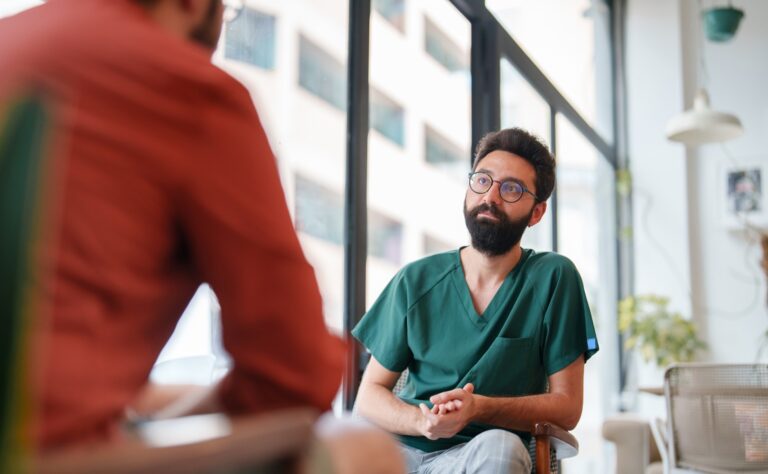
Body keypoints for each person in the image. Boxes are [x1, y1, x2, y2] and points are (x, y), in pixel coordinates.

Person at [0, 2, 403, 470]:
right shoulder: (187, 87)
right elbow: (297, 377)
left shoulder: (16, 37)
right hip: (30, 456)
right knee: (363, 448)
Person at [352, 127, 599, 473]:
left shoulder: (553, 278)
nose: (491, 197)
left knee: (502, 448)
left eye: (511, 189)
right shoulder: (416, 279)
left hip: (475, 455)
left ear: (537, 212)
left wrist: (479, 407)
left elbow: (567, 407)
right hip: (399, 452)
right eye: (483, 181)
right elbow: (369, 395)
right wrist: (422, 422)